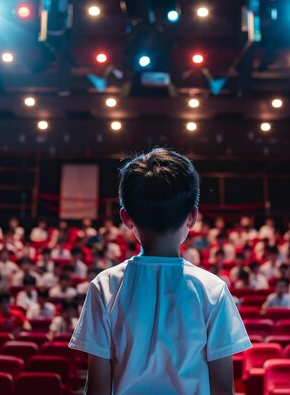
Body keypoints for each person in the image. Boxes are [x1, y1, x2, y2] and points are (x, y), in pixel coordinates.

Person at [69, 149, 251, 395]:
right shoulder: (212, 289)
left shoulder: (104, 286)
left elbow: (98, 389)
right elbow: (222, 389)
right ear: (192, 217)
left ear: (126, 218)